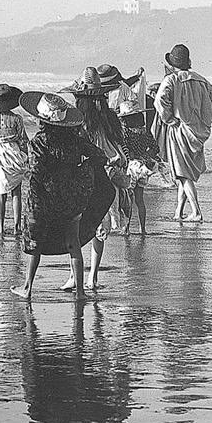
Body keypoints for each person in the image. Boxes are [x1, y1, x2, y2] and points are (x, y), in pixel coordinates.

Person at [13, 92, 106, 301]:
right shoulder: (75, 140)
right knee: (73, 242)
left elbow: (37, 170)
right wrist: (81, 171)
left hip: (42, 200)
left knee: (35, 244)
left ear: (41, 120)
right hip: (70, 198)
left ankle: (27, 288)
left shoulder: (38, 142)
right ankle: (80, 292)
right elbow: (100, 156)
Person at [153, 43, 212, 223]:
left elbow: (159, 102)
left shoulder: (171, 80)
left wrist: (169, 119)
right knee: (183, 174)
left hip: (179, 131)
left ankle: (196, 212)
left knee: (183, 174)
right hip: (197, 132)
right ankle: (178, 212)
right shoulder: (200, 79)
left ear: (172, 63)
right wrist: (205, 120)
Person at [68, 68, 125, 290]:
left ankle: (75, 276)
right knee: (99, 227)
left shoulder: (78, 121)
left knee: (76, 226)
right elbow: (117, 147)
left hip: (85, 175)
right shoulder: (107, 117)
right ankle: (92, 276)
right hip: (106, 175)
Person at [0, 83, 30, 236]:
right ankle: (16, 227)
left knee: (0, 194)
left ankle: (1, 228)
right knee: (16, 192)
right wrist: (27, 159)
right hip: (13, 153)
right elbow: (23, 141)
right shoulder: (16, 119)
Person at [119, 108, 161, 236]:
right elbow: (156, 148)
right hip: (143, 167)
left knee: (129, 200)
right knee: (140, 200)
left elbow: (126, 152)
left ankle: (126, 228)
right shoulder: (144, 132)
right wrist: (146, 156)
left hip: (132, 167)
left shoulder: (125, 132)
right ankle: (142, 229)